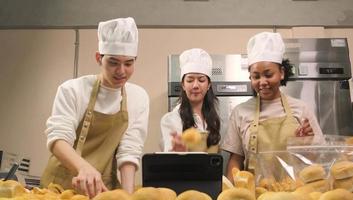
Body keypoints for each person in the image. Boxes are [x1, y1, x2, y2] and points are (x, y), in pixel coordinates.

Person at [40, 17, 149, 197]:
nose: (121, 71)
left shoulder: (138, 97)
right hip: (59, 189)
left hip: (103, 190)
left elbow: (129, 150)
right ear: (99, 58)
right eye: (113, 62)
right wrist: (83, 167)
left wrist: (127, 195)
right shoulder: (73, 89)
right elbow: (58, 138)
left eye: (128, 63)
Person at [221, 32, 323, 181]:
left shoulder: (301, 108)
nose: (262, 82)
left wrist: (306, 145)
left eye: (268, 75)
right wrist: (231, 192)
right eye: (256, 76)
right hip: (256, 194)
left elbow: (317, 160)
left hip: (296, 193)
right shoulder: (240, 112)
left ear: (281, 73)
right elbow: (235, 160)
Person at [160, 48, 221, 153]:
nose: (195, 85)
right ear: (183, 85)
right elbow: (169, 161)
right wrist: (177, 151)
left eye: (201, 80)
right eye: (190, 80)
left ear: (209, 85)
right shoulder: (171, 119)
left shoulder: (212, 119)